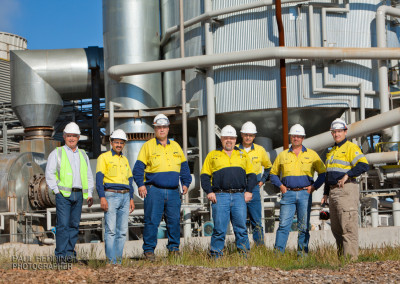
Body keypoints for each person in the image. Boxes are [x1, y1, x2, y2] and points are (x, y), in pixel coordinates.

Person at [132, 114, 192, 261]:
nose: (162, 130)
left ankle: (174, 249)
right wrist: (140, 185)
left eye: (164, 127)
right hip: (154, 190)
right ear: (155, 128)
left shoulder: (176, 146)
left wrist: (186, 183)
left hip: (173, 191)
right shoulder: (148, 146)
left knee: (174, 221)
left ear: (168, 128)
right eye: (159, 127)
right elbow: (138, 169)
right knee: (152, 221)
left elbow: (184, 168)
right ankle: (149, 251)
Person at [201, 125, 257, 258]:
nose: (229, 141)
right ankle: (216, 256)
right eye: (226, 138)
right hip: (220, 196)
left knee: (241, 229)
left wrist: (249, 191)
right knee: (219, 229)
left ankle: (244, 255)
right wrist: (209, 191)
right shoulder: (213, 155)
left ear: (235, 139)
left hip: (239, 196)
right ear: (221, 139)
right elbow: (204, 176)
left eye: (231, 138)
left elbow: (252, 175)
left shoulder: (242, 155)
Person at [270, 124, 326, 256]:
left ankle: (302, 255)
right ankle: (277, 255)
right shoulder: (283, 155)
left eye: (298, 136)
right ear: (290, 137)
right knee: (283, 225)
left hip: (304, 194)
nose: (296, 138)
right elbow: (273, 174)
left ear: (303, 138)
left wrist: (314, 187)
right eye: (293, 136)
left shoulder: (312, 155)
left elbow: (323, 173)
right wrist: (281, 186)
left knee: (303, 226)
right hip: (287, 193)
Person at [45, 122, 94, 263]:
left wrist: (89, 193)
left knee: (74, 225)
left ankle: (69, 254)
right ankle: (60, 256)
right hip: (63, 195)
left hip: (79, 195)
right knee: (63, 225)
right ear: (64, 137)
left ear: (78, 137)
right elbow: (50, 173)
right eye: (69, 136)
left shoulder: (83, 155)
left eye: (74, 136)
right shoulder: (57, 153)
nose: (71, 138)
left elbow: (88, 176)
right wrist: (56, 191)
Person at [321, 118, 369, 261]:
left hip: (346, 190)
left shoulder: (351, 147)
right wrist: (325, 193)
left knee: (348, 228)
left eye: (339, 131)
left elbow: (363, 165)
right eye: (334, 132)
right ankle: (342, 261)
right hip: (333, 192)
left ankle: (351, 262)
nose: (336, 134)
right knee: (336, 229)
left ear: (345, 131)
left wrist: (348, 175)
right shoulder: (332, 151)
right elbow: (328, 174)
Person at [96, 129, 135, 264]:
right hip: (110, 195)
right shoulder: (104, 158)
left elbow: (130, 180)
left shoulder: (125, 160)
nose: (119, 145)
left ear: (124, 144)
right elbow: (99, 179)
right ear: (111, 143)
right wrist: (102, 197)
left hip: (125, 196)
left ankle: (118, 261)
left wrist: (131, 198)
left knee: (122, 231)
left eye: (121, 143)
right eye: (116, 142)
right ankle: (111, 261)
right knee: (111, 230)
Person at [237, 121, 272, 245]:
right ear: (241, 134)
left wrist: (262, 181)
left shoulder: (260, 150)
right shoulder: (235, 150)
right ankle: (242, 247)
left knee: (256, 221)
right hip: (239, 189)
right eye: (246, 134)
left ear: (254, 136)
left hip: (254, 188)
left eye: (250, 135)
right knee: (239, 221)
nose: (248, 137)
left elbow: (268, 167)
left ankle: (260, 248)